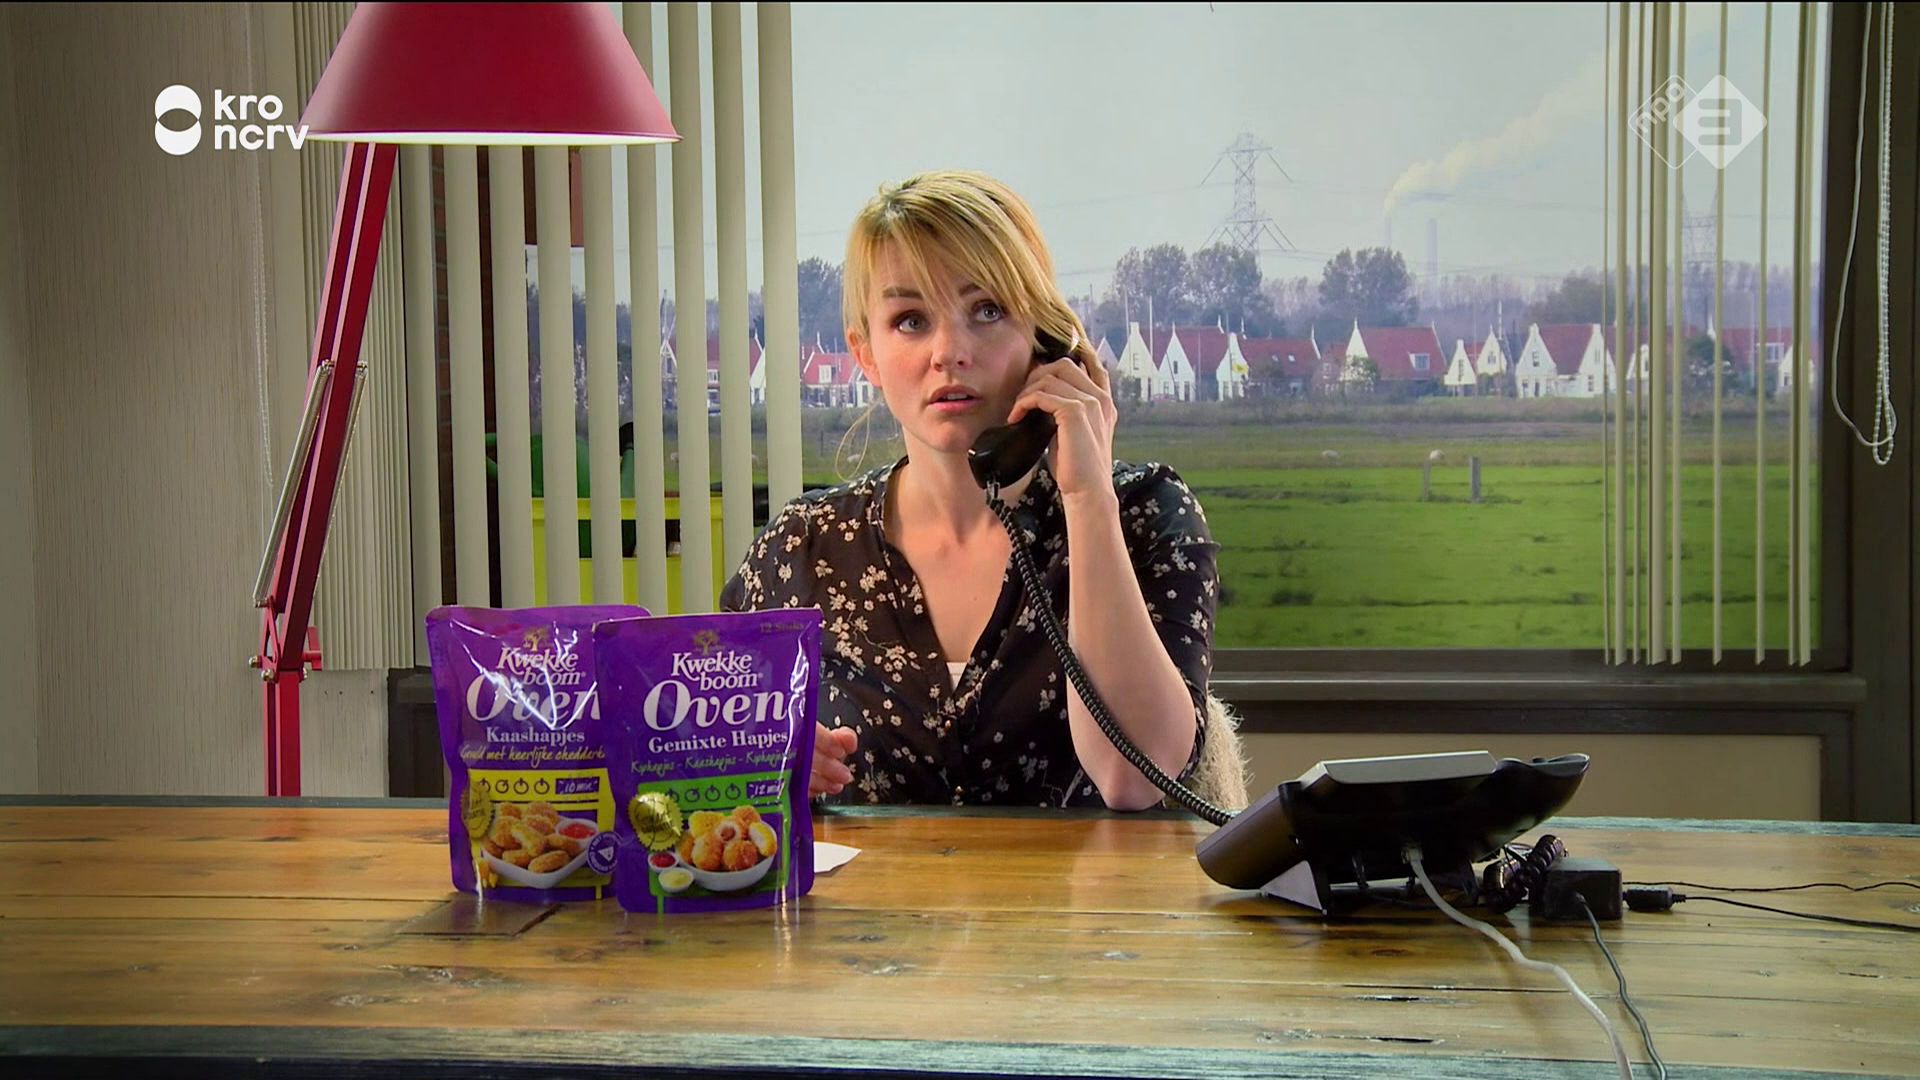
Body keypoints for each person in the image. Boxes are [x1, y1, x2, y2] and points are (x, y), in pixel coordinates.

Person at [719, 170, 1220, 811]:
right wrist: (761, 762)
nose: (949, 351)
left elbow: (1135, 778)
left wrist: (1088, 497)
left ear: (1047, 340)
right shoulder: (802, 549)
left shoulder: (1145, 512)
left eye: (987, 311)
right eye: (910, 321)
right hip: (870, 884)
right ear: (865, 354)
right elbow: (705, 765)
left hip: (1085, 885)